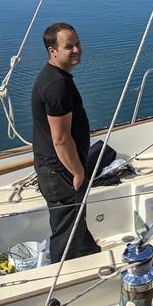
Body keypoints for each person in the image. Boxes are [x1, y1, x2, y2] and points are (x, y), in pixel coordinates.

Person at [31, 22, 101, 260]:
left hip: (54, 169)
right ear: (53, 51)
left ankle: (91, 254)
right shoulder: (57, 86)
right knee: (66, 235)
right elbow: (60, 139)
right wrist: (78, 172)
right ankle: (62, 282)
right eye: (68, 46)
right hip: (61, 172)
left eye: (78, 44)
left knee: (74, 223)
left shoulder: (54, 77)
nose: (76, 50)